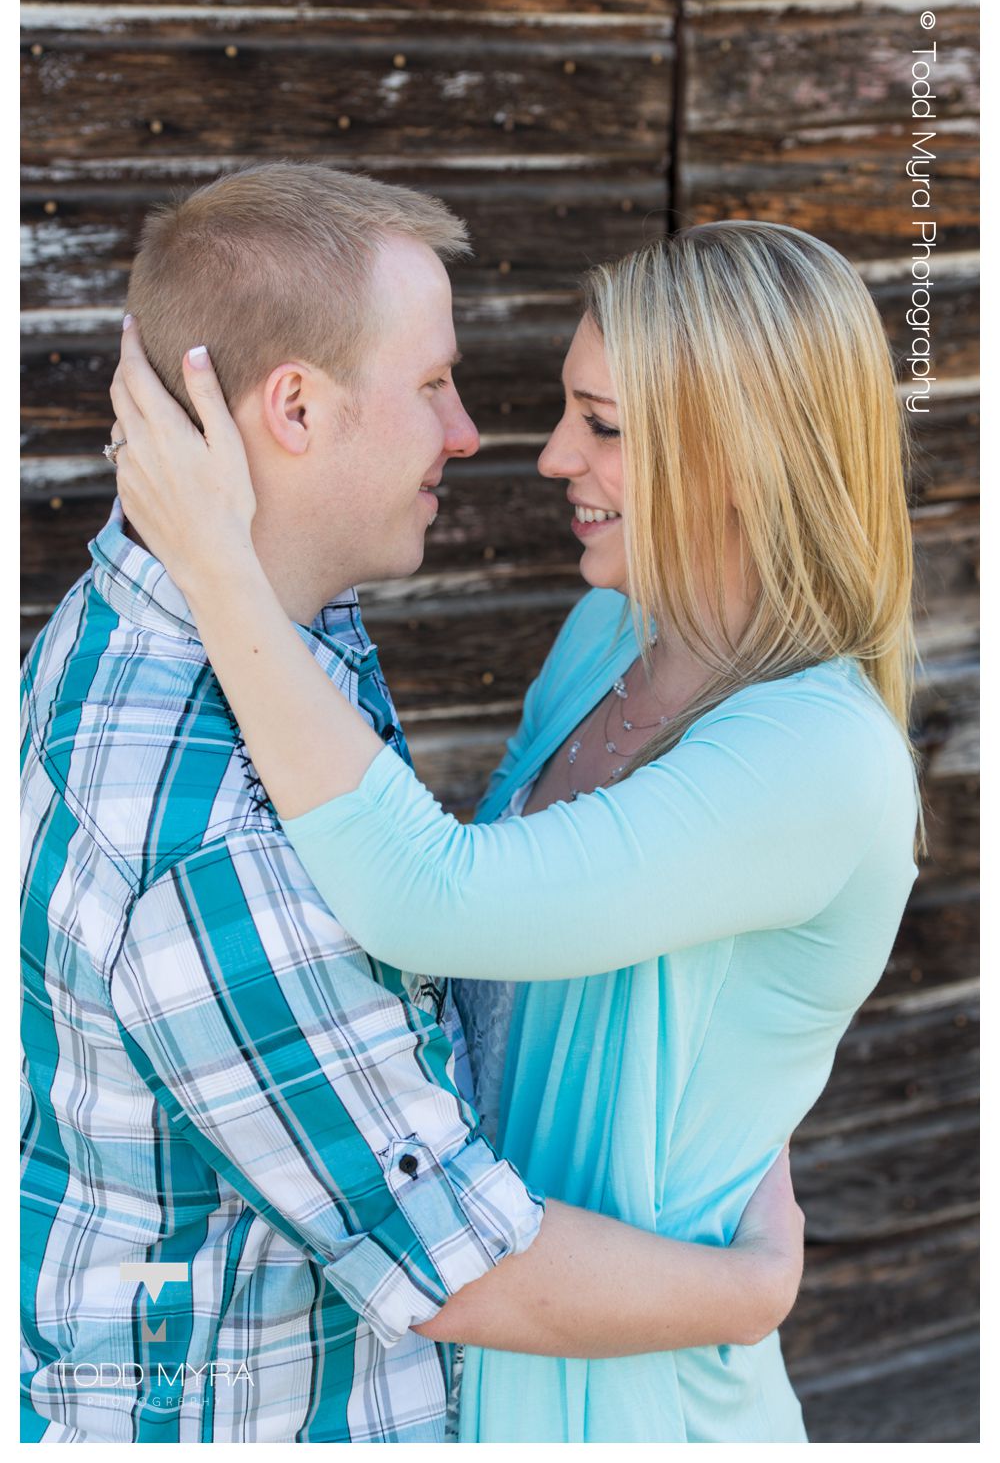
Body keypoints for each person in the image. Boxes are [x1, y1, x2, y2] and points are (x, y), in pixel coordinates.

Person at [20, 164, 804, 1446]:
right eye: (432, 382)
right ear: (294, 410)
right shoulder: (201, 834)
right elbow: (458, 1257)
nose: (468, 432)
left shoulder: (194, 610)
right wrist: (753, 1287)